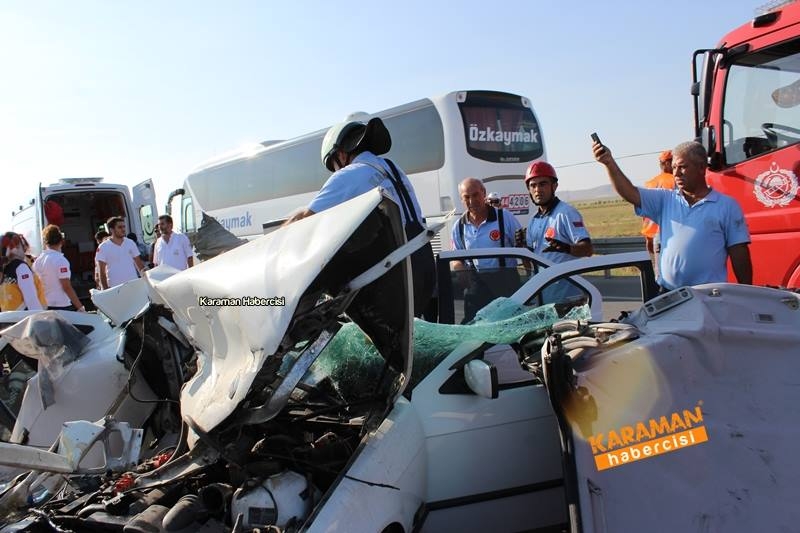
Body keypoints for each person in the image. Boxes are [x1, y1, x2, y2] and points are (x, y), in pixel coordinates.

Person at [285, 117, 435, 317]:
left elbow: (305, 220)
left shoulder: (349, 174)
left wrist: (270, 244)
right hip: (423, 270)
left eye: (333, 165)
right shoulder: (394, 169)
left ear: (340, 154)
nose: (335, 171)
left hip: (394, 284)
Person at [593, 139, 752, 290]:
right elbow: (630, 193)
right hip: (670, 294)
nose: (676, 173)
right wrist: (609, 163)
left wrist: (747, 295)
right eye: (674, 167)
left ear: (701, 167)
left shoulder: (726, 206)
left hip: (709, 297)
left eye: (682, 167)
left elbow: (739, 253)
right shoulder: (666, 199)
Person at [451, 178, 522, 322]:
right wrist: (459, 269)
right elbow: (456, 257)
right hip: (477, 285)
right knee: (474, 328)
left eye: (475, 195)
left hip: (506, 284)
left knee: (510, 327)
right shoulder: (458, 226)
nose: (472, 201)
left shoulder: (504, 217)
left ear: (483, 193)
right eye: (466, 197)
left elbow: (522, 247)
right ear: (461, 199)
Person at [518, 161, 593, 261]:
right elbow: (530, 262)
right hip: (541, 272)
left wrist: (566, 248)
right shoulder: (533, 219)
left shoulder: (566, 213)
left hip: (564, 272)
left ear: (554, 186)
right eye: (533, 185)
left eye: (542, 184)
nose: (537, 190)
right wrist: (522, 247)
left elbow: (588, 250)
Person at [32, 225, 85, 312]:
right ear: (61, 241)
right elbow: (66, 287)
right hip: (61, 305)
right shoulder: (60, 260)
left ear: (45, 242)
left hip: (44, 305)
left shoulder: (38, 261)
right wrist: (80, 307)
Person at [641, 150, 675, 275]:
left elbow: (645, 216)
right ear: (667, 163)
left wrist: (648, 240)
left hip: (653, 237)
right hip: (670, 235)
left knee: (659, 276)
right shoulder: (675, 181)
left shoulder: (649, 184)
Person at [95, 217, 146, 290]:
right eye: (120, 227)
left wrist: (147, 282)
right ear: (111, 230)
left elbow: (140, 266)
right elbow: (102, 272)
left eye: (124, 226)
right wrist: (105, 291)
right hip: (115, 289)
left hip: (134, 286)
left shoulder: (131, 243)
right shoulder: (103, 247)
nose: (123, 229)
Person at [1, 232, 45, 311]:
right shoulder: (20, 267)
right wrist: (40, 316)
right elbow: (31, 300)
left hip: (7, 316)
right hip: (23, 316)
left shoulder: (4, 269)